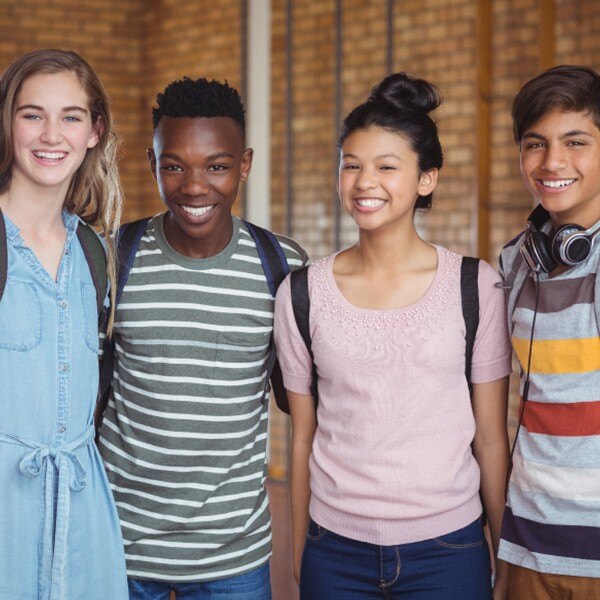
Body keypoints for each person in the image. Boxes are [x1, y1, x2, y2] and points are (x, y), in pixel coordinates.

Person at [273, 73, 512, 599]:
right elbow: (304, 436)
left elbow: (491, 437)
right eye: (351, 165)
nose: (364, 182)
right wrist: (298, 554)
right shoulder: (300, 294)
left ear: (426, 178)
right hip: (334, 552)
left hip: (449, 551)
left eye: (387, 166)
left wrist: (506, 558)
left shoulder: (477, 286)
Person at [98, 76, 307, 598]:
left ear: (245, 164)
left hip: (234, 554)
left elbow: (298, 398)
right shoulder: (108, 258)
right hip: (118, 545)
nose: (194, 187)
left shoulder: (282, 265)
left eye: (216, 166)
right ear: (152, 165)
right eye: (174, 166)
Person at [0, 49, 128, 598]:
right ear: (7, 123)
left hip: (82, 523)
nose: (51, 134)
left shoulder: (93, 251)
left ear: (94, 131)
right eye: (32, 114)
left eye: (71, 117)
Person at [497, 65, 600, 599]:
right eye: (535, 144)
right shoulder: (516, 260)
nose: (552, 162)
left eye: (575, 142)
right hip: (527, 543)